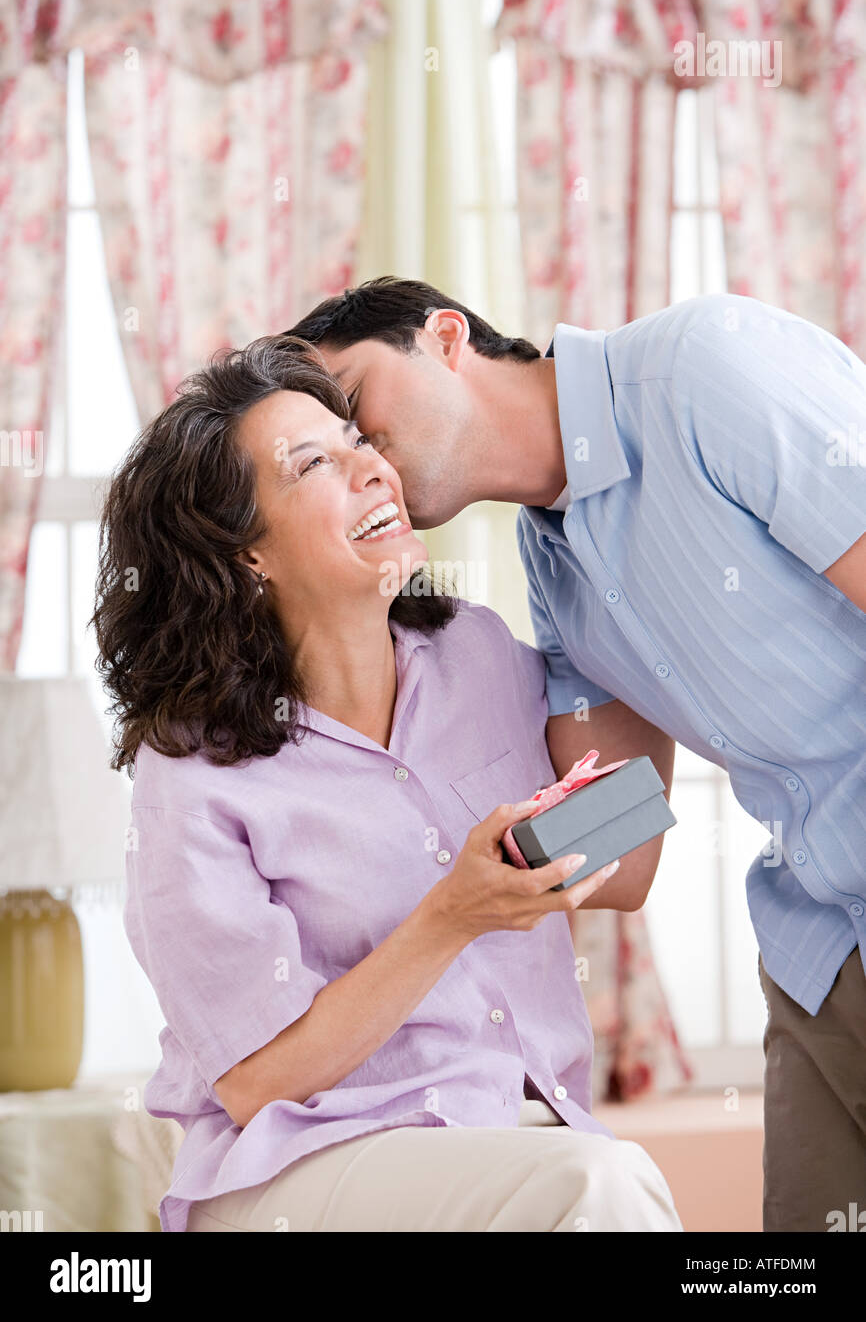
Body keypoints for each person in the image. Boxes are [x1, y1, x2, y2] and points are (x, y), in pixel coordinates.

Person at [284, 277, 866, 1233]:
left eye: (352, 408)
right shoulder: (554, 575)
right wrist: (427, 842)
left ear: (443, 336)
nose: (359, 458)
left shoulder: (705, 370)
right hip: (820, 951)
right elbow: (623, 849)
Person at [91, 334, 682, 1233]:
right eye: (312, 464)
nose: (371, 468)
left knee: (600, 1182)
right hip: (302, 1163)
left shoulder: (476, 653)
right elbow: (256, 1077)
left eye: (357, 441)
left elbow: (626, 861)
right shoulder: (191, 771)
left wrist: (633, 574)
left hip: (513, 1143)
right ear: (246, 554)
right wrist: (453, 915)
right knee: (600, 1186)